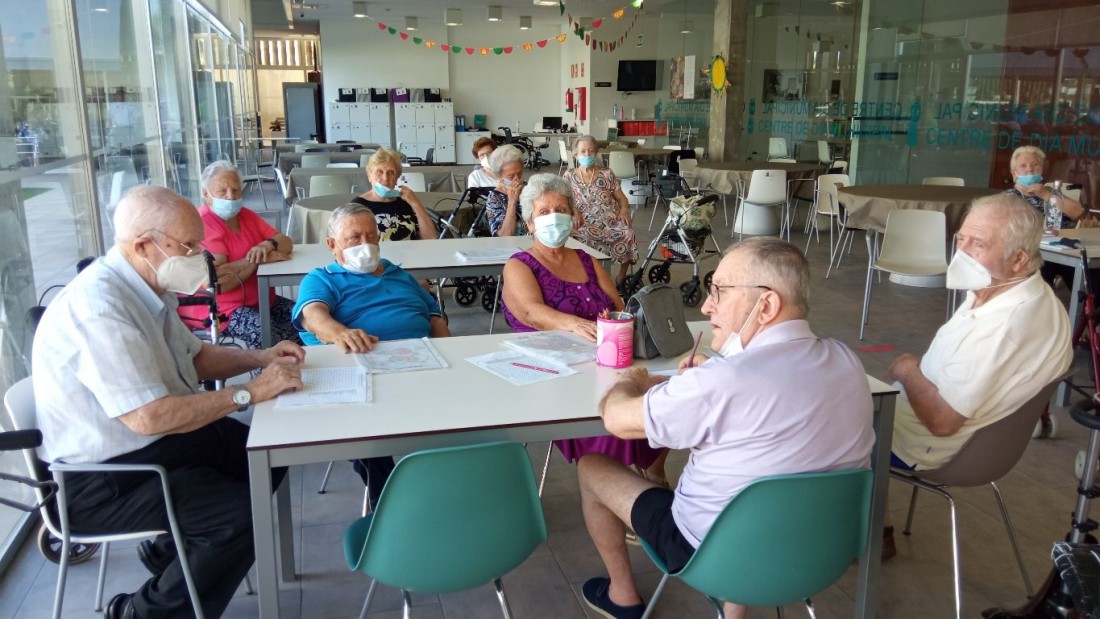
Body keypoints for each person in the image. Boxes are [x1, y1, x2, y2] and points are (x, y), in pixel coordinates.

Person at [31, 185, 305, 619]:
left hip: (150, 444)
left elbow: (194, 357)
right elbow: (150, 417)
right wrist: (250, 392)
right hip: (103, 478)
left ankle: (169, 552)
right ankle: (141, 612)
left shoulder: (147, 286)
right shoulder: (99, 309)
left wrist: (261, 357)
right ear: (144, 245)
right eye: (190, 245)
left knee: (267, 455)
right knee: (237, 517)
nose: (202, 255)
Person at [577, 237, 874, 619]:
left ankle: (622, 596)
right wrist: (712, 378)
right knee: (758, 471)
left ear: (766, 305)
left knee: (591, 466)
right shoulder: (847, 361)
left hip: (713, 554)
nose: (706, 305)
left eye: (719, 291)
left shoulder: (721, 382)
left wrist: (632, 379)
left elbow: (616, 418)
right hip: (820, 553)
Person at [884, 194, 1073, 555]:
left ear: (1018, 259)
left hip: (934, 445)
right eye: (961, 238)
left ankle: (855, 534)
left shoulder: (1008, 323)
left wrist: (907, 370)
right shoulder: (1001, 288)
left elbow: (943, 422)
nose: (963, 252)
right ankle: (877, 525)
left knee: (821, 416)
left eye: (979, 244)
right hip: (956, 434)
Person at [501, 174, 668, 485]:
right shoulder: (519, 265)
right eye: (544, 212)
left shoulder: (587, 259)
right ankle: (619, 488)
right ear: (530, 224)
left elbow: (618, 305)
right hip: (559, 373)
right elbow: (531, 313)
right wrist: (576, 324)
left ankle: (653, 473)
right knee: (615, 414)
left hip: (608, 360)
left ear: (573, 216)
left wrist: (618, 324)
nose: (554, 218)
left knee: (663, 397)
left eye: (561, 210)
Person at [292, 202, 450, 506]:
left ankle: (453, 487)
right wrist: (341, 333)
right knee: (366, 435)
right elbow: (313, 315)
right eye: (354, 238)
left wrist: (448, 352)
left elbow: (433, 313)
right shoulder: (322, 278)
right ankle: (391, 505)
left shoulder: (396, 273)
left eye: (372, 236)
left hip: (421, 364)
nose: (365, 244)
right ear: (332, 245)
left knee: (469, 415)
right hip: (363, 369)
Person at [178, 160, 300, 349]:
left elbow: (285, 242)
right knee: (269, 336)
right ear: (206, 194)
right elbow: (217, 282)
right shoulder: (203, 224)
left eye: (235, 190)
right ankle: (273, 369)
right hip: (220, 311)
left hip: (262, 301)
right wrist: (256, 260)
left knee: (306, 318)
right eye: (222, 191)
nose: (230, 196)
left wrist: (268, 244)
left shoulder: (245, 215)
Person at [564, 135, 638, 284]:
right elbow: (563, 200)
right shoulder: (569, 175)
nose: (587, 154)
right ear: (576, 155)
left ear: (596, 153)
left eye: (591, 151)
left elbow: (622, 198)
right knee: (579, 236)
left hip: (609, 219)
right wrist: (574, 211)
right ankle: (588, 275)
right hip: (583, 221)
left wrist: (624, 209)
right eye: (583, 151)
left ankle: (621, 277)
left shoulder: (607, 173)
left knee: (627, 233)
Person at [350, 147, 438, 241]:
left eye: (391, 172)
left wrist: (416, 203)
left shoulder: (407, 203)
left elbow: (430, 237)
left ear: (396, 178)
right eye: (379, 172)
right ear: (369, 176)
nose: (385, 178)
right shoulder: (357, 206)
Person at [1004, 145, 1084, 227]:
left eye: (1035, 164)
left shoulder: (1048, 190)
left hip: (1064, 234)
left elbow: (1078, 212)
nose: (1030, 169)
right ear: (1014, 173)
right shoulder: (1008, 198)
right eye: (1023, 166)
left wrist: (1046, 195)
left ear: (1041, 168)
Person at [484, 144, 527, 236]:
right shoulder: (495, 199)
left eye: (519, 173)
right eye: (511, 176)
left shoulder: (529, 190)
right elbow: (504, 235)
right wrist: (512, 201)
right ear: (499, 177)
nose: (517, 179)